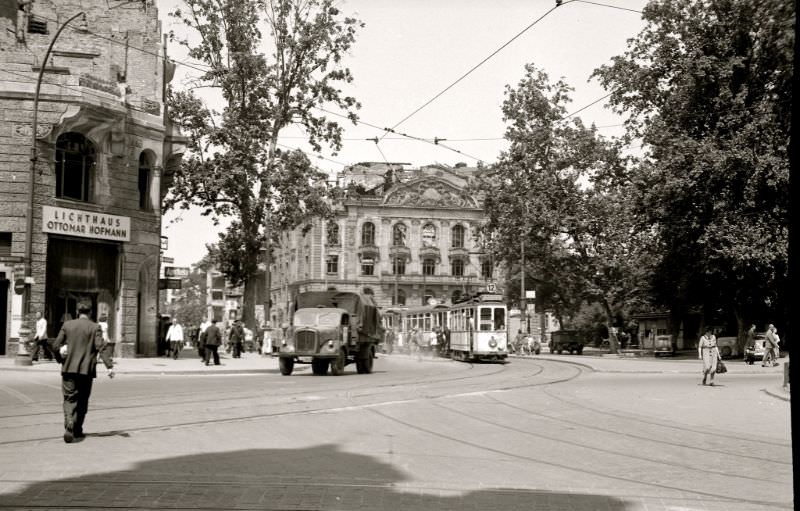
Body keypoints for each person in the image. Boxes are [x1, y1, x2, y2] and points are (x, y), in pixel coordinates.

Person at [52, 301, 114, 443]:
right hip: (86, 371)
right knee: (83, 400)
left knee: (69, 398)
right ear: (91, 312)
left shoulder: (67, 325)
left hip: (68, 369)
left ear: (77, 311)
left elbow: (55, 345)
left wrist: (60, 358)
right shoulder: (95, 327)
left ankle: (69, 421)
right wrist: (109, 366)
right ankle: (78, 429)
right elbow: (101, 347)